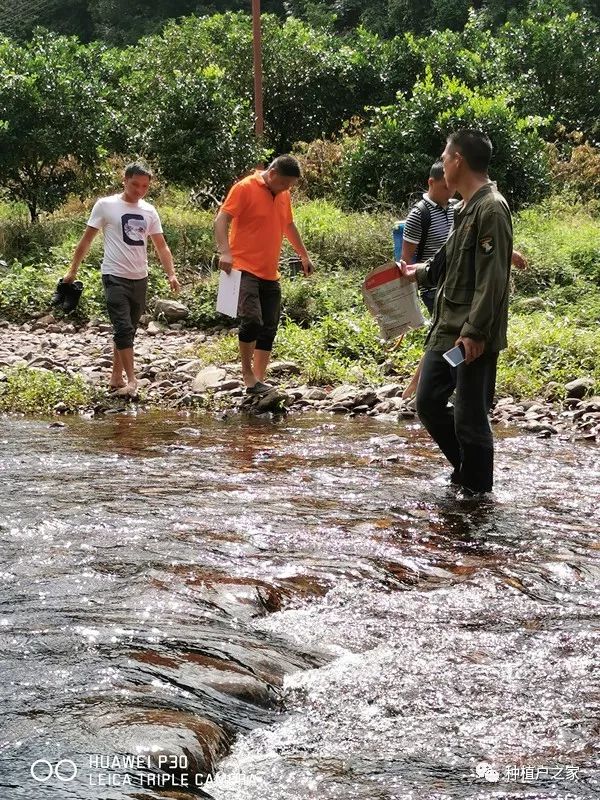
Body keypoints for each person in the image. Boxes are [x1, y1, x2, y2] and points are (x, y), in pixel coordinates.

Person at [399, 129, 513, 495]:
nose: (443, 163)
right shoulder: (463, 207)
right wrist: (413, 272)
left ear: (458, 160)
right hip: (447, 328)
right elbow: (444, 262)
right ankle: (466, 470)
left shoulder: (491, 207)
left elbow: (493, 279)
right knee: (429, 401)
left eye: (446, 156)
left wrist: (476, 332)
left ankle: (477, 492)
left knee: (470, 415)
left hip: (471, 334)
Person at [401, 166, 527, 399]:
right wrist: (412, 279)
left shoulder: (475, 208)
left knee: (457, 351)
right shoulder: (422, 213)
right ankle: (425, 389)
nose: (449, 191)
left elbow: (487, 268)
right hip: (435, 289)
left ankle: (442, 391)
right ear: (431, 182)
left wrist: (476, 330)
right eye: (444, 187)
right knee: (443, 343)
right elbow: (411, 257)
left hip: (459, 294)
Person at [63, 162, 180, 397]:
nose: (139, 190)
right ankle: (132, 380)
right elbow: (86, 240)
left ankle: (116, 377)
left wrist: (172, 274)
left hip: (140, 277)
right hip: (114, 275)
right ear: (124, 180)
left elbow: (161, 246)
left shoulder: (149, 210)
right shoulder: (106, 205)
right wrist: (72, 270)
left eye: (145, 186)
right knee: (123, 327)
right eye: (135, 184)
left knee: (128, 330)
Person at [214, 155, 314, 394]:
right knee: (252, 321)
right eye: (285, 184)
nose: (287, 189)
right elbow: (221, 219)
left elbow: (288, 225)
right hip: (243, 267)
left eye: (291, 186)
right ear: (272, 174)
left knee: (269, 326)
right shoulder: (245, 187)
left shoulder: (283, 194)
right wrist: (225, 252)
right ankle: (247, 376)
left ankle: (259, 380)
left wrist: (304, 255)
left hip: (270, 271)